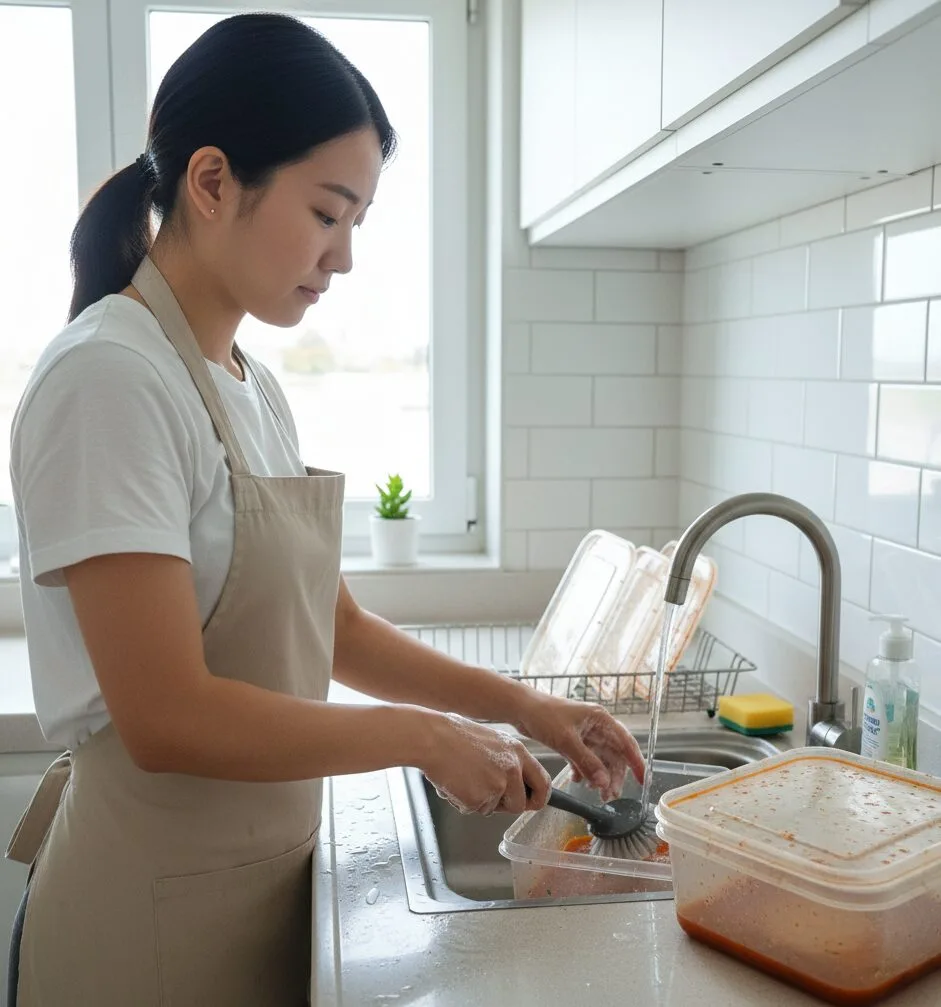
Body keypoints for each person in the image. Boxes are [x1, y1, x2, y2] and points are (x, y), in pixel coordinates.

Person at [5, 13, 645, 1007]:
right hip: (145, 925)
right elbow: (165, 714)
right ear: (212, 182)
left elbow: (332, 625)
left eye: (356, 222)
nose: (341, 256)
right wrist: (421, 735)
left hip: (248, 893)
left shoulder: (247, 383)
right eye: (325, 212)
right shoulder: (108, 379)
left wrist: (522, 705)